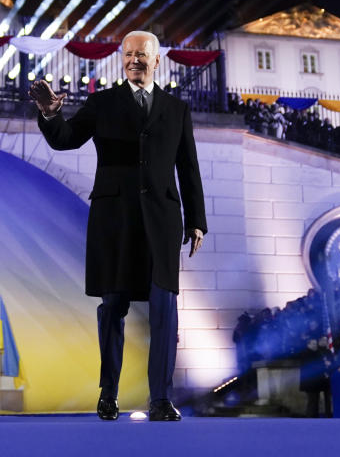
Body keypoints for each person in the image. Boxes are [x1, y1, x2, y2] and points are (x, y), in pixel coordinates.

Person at [29, 30, 207, 422]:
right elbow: (67, 140)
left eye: (141, 55)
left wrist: (196, 220)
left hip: (161, 221)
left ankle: (160, 398)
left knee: (165, 309)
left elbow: (188, 168)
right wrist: (50, 114)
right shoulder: (103, 103)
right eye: (128, 55)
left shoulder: (176, 110)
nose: (134, 60)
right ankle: (108, 394)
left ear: (157, 61)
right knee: (113, 308)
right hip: (116, 220)